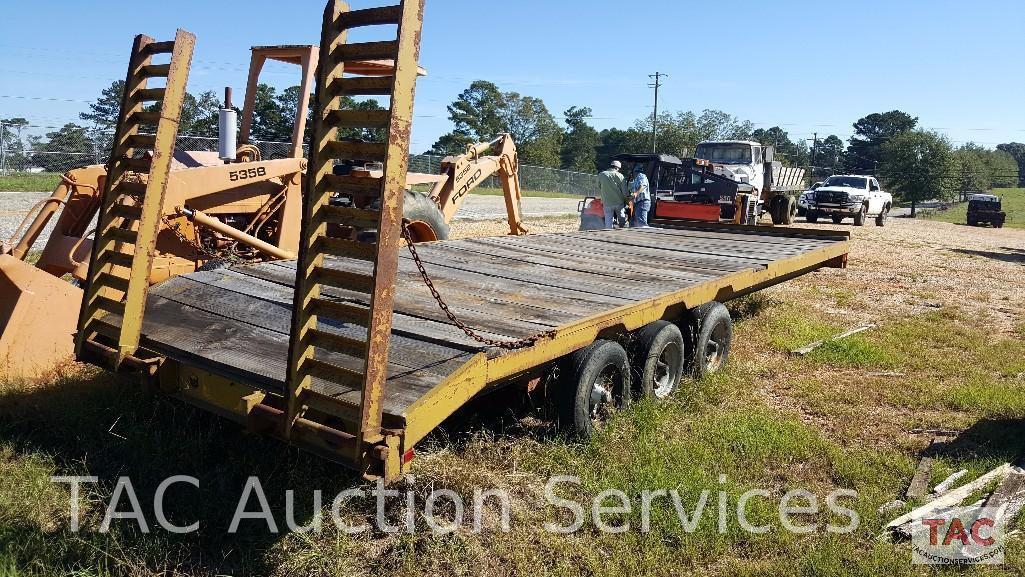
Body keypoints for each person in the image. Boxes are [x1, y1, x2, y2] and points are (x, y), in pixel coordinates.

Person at [597, 160, 628, 229]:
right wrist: (627, 200)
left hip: (606, 202)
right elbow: (625, 191)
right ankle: (622, 230)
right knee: (622, 219)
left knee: (608, 221)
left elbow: (599, 186)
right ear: (617, 168)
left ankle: (608, 234)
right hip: (618, 202)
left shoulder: (602, 174)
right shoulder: (620, 176)